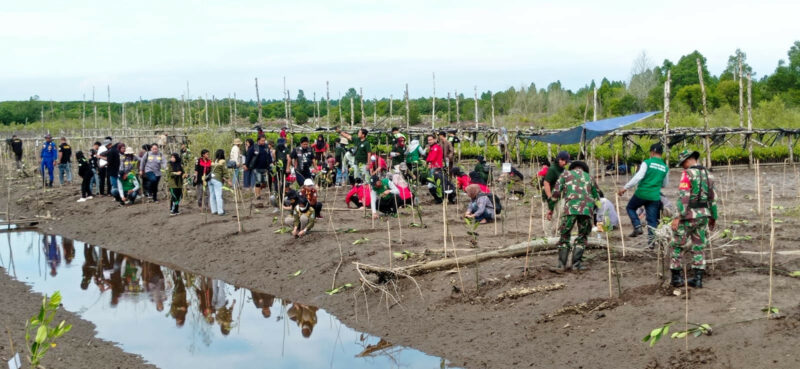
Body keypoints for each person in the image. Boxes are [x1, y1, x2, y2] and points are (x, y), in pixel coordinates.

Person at [669, 150, 718, 288]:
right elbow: (713, 198)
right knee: (699, 246)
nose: (683, 166)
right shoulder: (709, 174)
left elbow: (684, 196)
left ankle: (676, 279)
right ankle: (698, 279)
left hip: (688, 216)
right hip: (703, 215)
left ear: (690, 159)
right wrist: (713, 217)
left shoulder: (687, 174)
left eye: (683, 162)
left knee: (677, 245)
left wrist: (677, 216)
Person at [548, 160, 599, 272]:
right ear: (584, 169)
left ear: (572, 168)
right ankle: (576, 265)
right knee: (582, 237)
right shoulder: (589, 177)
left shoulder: (565, 175)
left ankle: (561, 265)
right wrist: (598, 212)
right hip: (586, 210)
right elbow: (597, 197)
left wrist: (551, 209)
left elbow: (555, 193)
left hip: (570, 209)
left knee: (565, 236)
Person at [619, 143, 669, 246]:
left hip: (642, 193)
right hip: (655, 196)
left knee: (630, 208)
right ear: (661, 153)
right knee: (652, 220)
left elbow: (638, 177)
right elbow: (665, 184)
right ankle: (652, 243)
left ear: (652, 152)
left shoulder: (647, 162)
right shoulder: (665, 167)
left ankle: (637, 226)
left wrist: (625, 187)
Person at [208, 149, 231, 216]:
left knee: (212, 195)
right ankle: (220, 211)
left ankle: (214, 210)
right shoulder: (222, 161)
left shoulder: (213, 161)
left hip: (210, 179)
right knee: (218, 195)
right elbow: (225, 171)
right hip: (217, 179)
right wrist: (229, 180)